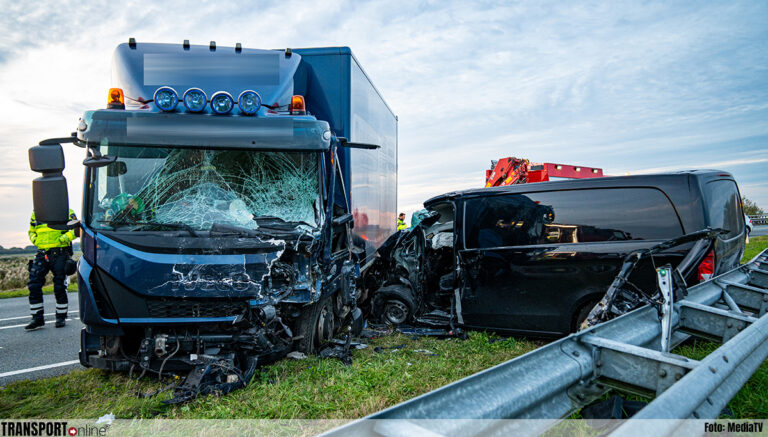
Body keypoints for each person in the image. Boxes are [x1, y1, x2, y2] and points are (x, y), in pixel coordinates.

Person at [25, 209, 78, 330]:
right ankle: (37, 318)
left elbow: (76, 230)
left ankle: (61, 317)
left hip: (60, 252)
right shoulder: (36, 213)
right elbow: (31, 231)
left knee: (59, 286)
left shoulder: (66, 211)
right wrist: (36, 240)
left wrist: (62, 239)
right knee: (33, 284)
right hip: (42, 253)